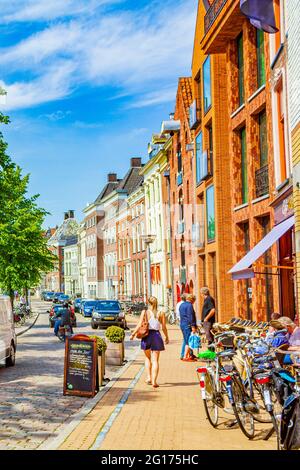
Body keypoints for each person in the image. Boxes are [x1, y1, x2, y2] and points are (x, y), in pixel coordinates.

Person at [130, 296, 169, 388]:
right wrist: (167, 337)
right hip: (156, 336)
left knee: (148, 358)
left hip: (146, 336)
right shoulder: (161, 313)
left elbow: (139, 324)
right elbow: (163, 327)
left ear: (148, 303)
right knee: (155, 360)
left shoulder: (145, 312)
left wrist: (133, 334)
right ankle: (154, 381)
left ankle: (149, 377)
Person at [179, 294, 197, 361]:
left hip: (182, 324)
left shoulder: (181, 305)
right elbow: (190, 316)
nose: (194, 302)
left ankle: (186, 355)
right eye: (194, 300)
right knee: (189, 341)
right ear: (191, 299)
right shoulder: (189, 305)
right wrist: (193, 326)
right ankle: (185, 356)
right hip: (187, 325)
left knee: (186, 339)